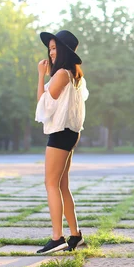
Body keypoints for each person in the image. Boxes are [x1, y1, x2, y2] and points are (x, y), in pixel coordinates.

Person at [34, 30, 89, 254]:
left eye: (55, 48)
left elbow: (43, 103)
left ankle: (57, 237)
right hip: (70, 132)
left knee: (50, 183)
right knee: (62, 184)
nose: (51, 52)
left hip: (60, 134)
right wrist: (50, 76)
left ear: (65, 50)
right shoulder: (75, 75)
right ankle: (75, 235)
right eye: (50, 48)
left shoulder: (61, 75)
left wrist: (40, 75)